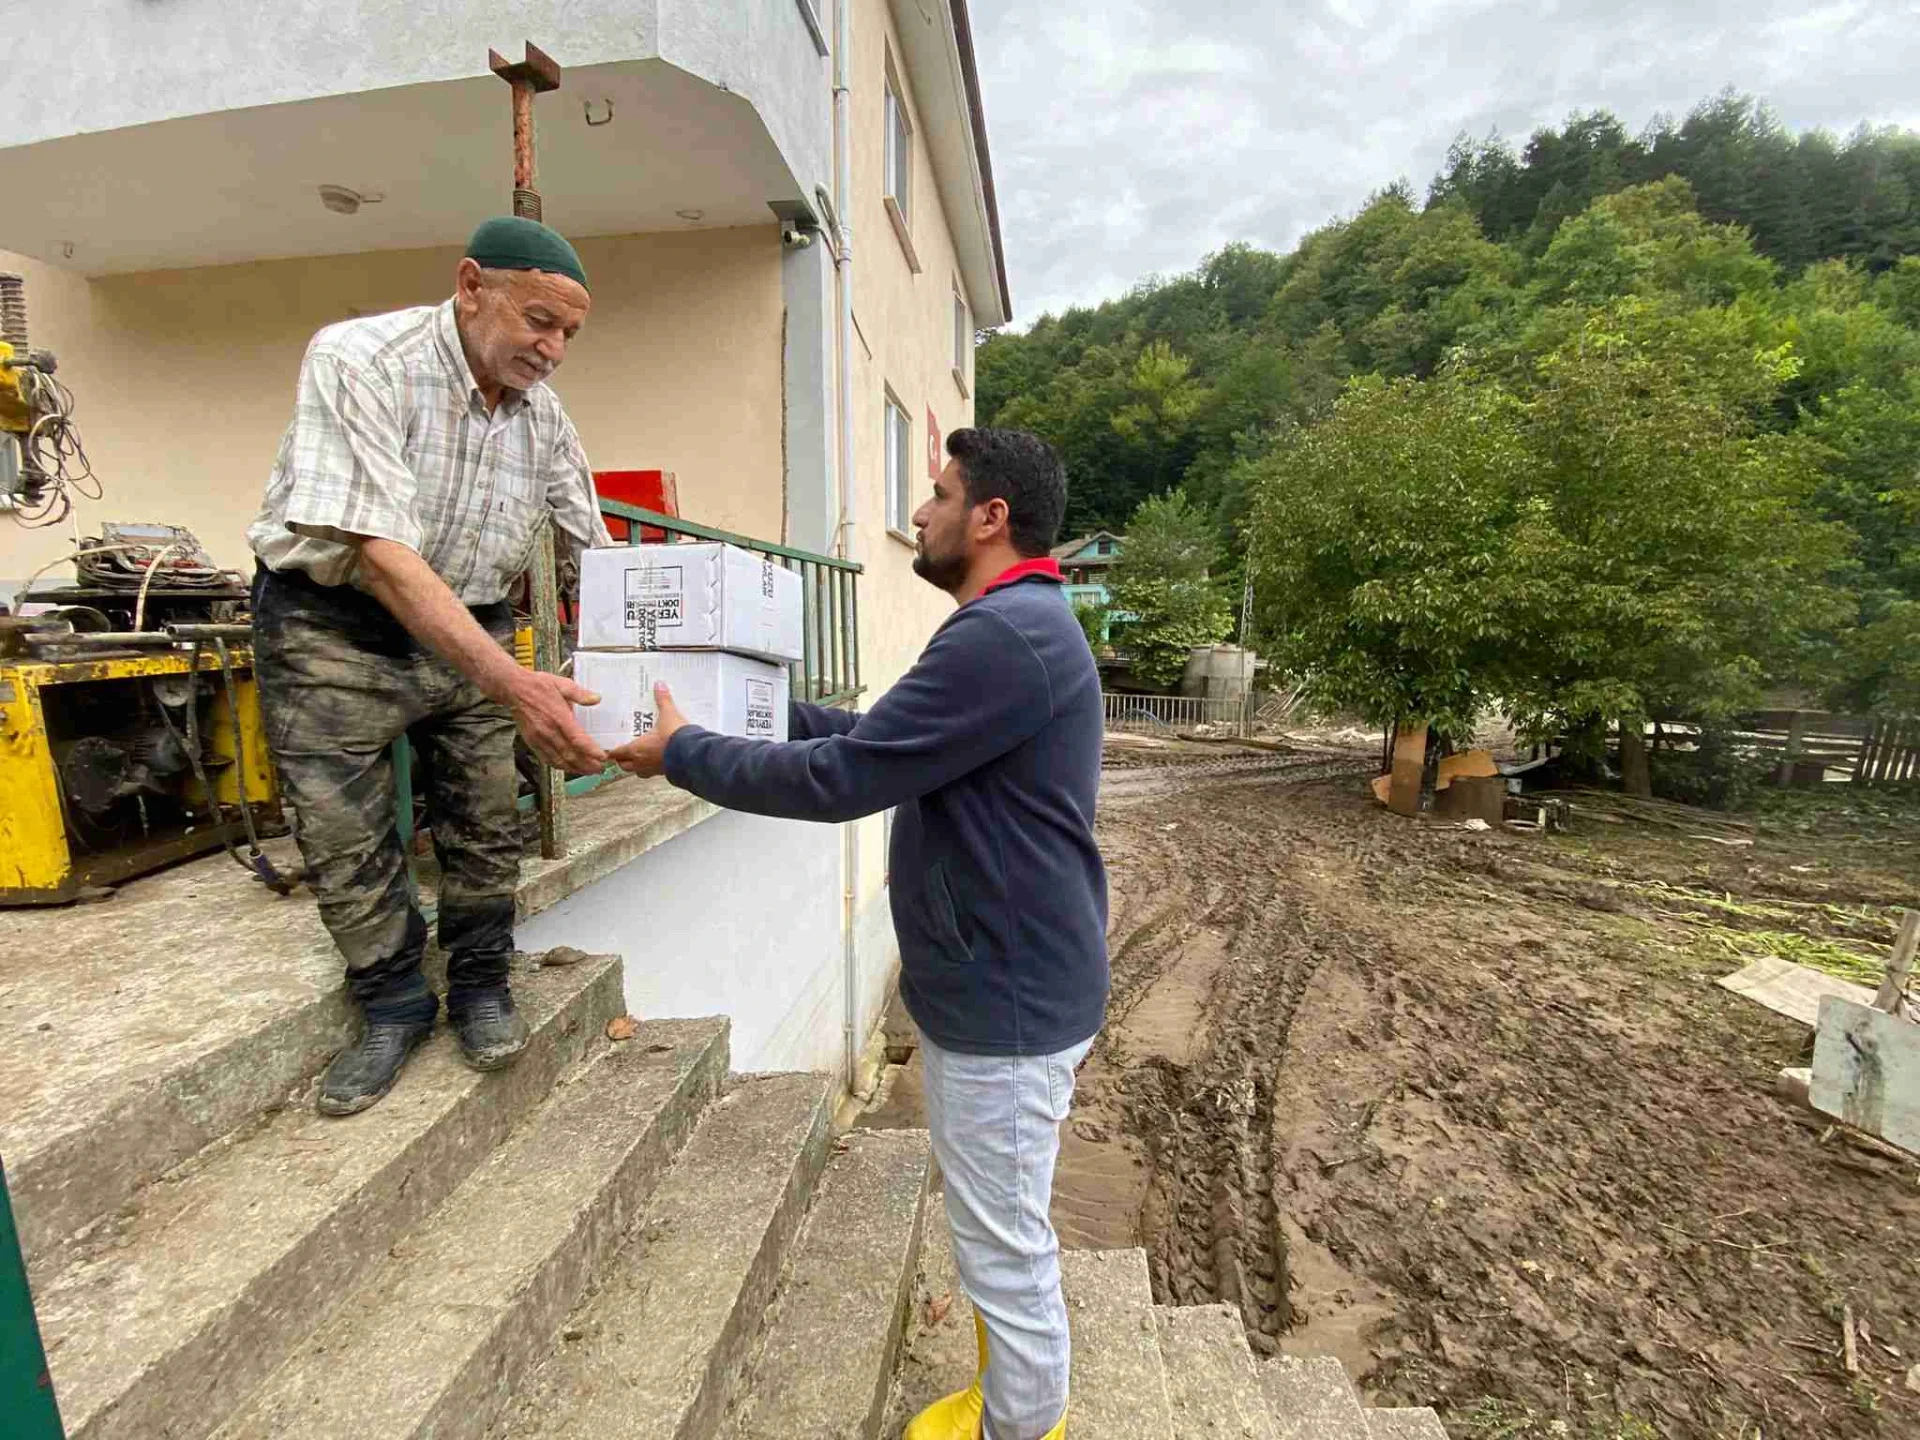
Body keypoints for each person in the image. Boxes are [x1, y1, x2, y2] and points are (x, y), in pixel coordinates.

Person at [612, 427, 1108, 1440]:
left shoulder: (1003, 636)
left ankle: (1022, 1429)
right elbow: (880, 742)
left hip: (1007, 1000)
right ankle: (1007, 1400)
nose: (920, 514)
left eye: (936, 495)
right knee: (993, 1229)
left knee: (1003, 1244)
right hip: (1011, 981)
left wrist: (684, 755)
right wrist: (752, 713)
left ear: (990, 517)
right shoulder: (1014, 628)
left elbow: (846, 781)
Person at [247, 216, 611, 1117]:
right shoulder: (362, 359)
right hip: (334, 620)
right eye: (539, 321)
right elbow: (377, 551)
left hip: (473, 618)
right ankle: (394, 1004)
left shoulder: (544, 414)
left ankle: (482, 980)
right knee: (343, 830)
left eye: (569, 333)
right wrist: (518, 683)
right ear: (470, 284)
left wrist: (663, 666)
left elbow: (590, 551)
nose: (554, 349)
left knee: (488, 813)